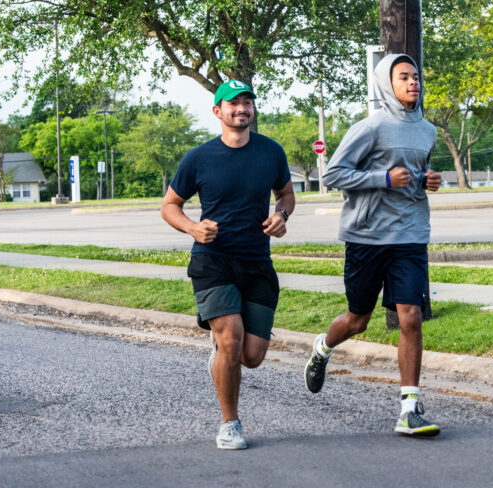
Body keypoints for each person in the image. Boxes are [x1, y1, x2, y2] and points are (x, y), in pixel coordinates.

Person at [304, 54, 442, 436]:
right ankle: (322, 349)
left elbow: (416, 174)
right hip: (367, 236)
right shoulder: (371, 127)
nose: (413, 83)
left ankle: (409, 409)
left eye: (416, 77)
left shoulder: (427, 131)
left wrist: (429, 179)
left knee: (411, 316)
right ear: (387, 84)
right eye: (404, 77)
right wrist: (382, 178)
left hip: (411, 233)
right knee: (357, 321)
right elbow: (333, 173)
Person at [161, 79, 294, 450]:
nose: (241, 108)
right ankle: (229, 423)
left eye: (247, 102)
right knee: (232, 341)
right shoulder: (198, 158)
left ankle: (221, 354)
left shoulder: (271, 152)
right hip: (213, 260)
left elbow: (286, 193)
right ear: (217, 111)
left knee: (251, 356)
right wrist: (192, 227)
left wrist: (282, 214)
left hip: (256, 262)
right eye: (232, 103)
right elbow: (169, 206)